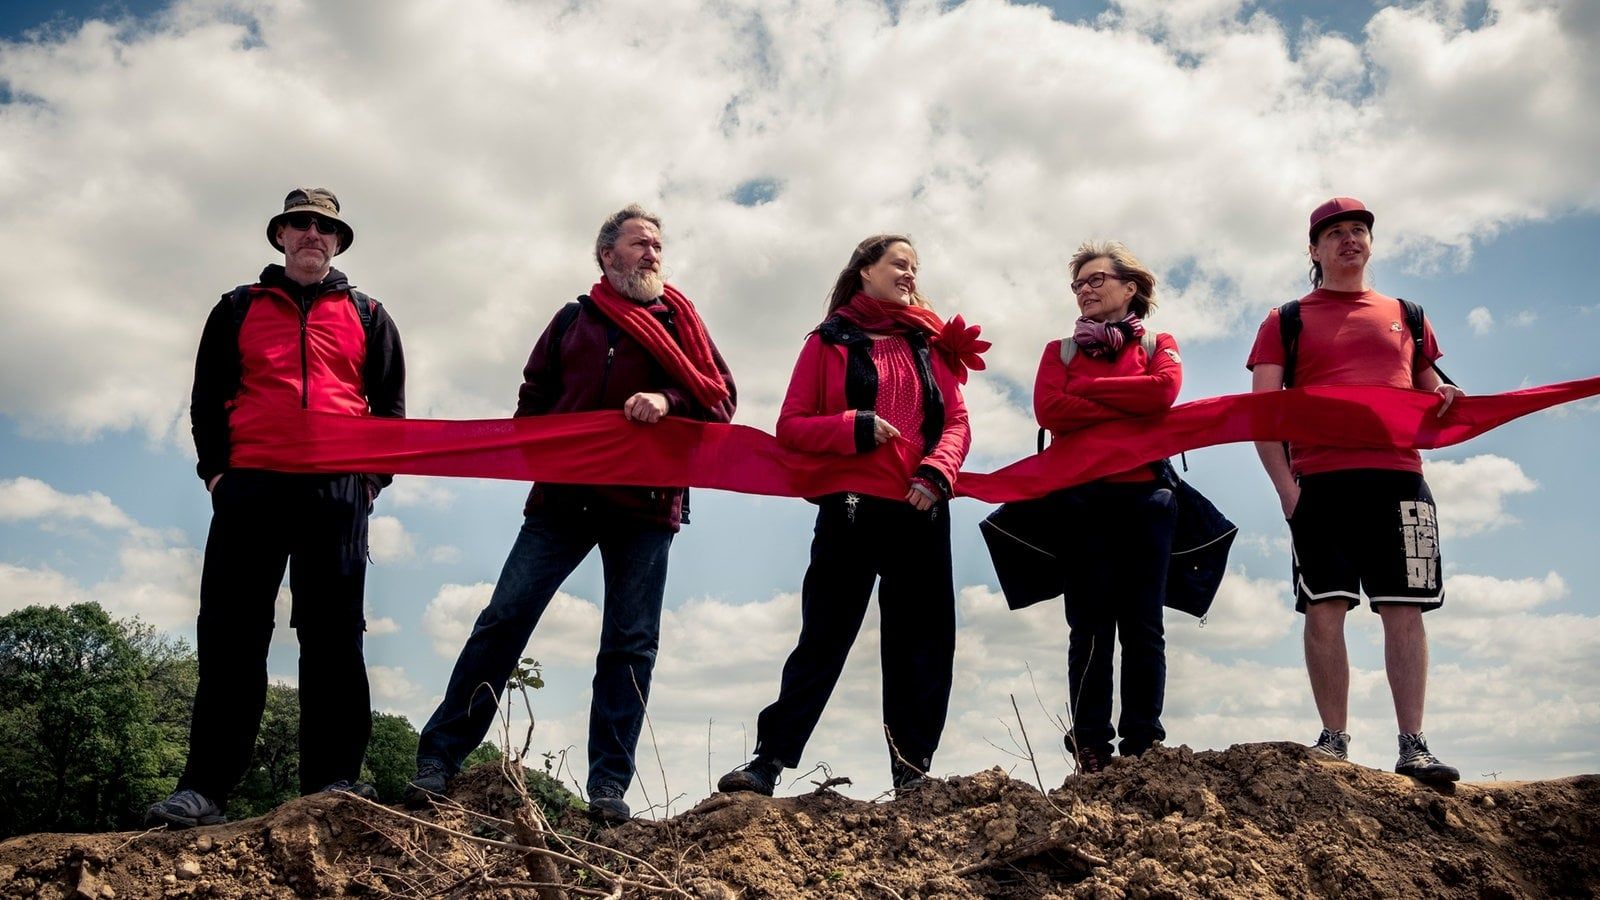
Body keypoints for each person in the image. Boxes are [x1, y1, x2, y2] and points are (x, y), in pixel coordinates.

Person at [407, 204, 736, 824]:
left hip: (646, 505)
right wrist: (557, 445)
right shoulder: (572, 321)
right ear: (607, 255)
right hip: (563, 501)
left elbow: (719, 399)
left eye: (658, 245)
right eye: (640, 244)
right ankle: (438, 761)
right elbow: (532, 402)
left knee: (630, 643)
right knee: (503, 620)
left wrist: (666, 400)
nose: (652, 254)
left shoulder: (682, 323)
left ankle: (608, 788)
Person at [146, 188, 407, 828]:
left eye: (324, 226)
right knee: (232, 635)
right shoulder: (236, 308)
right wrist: (216, 476)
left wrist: (369, 481)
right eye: (300, 224)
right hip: (251, 490)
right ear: (281, 236)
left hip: (337, 495)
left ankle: (333, 783)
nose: (312, 234)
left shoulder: (371, 316)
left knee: (333, 639)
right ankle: (205, 788)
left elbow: (391, 413)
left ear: (338, 241)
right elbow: (207, 400)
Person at [717, 234, 973, 796]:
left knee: (922, 642)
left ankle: (912, 775)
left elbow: (956, 421)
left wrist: (938, 472)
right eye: (898, 264)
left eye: (915, 266)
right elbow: (792, 424)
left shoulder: (932, 344)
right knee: (824, 636)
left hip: (923, 505)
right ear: (865, 273)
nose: (910, 274)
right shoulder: (827, 342)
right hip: (851, 509)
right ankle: (769, 763)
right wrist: (853, 425)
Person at [1247, 197, 1463, 783]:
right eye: (1336, 233)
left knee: (1406, 611)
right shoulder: (1285, 319)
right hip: (1321, 483)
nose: (1350, 240)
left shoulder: (1408, 314)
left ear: (1370, 243)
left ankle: (1413, 744)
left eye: (1359, 231)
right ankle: (1335, 741)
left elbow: (1430, 390)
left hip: (1402, 481)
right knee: (1325, 607)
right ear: (1314, 250)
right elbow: (1260, 414)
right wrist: (1287, 492)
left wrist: (1445, 393)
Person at [1032, 242, 1182, 774]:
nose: (1085, 290)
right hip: (1081, 500)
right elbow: (1050, 409)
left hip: (1147, 499)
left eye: (1096, 280)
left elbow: (1162, 394)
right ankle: (1091, 744)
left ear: (1130, 288)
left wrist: (1090, 401)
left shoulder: (1161, 343)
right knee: (1089, 627)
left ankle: (1143, 743)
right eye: (1078, 285)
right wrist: (1126, 398)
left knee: (1144, 626)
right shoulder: (1060, 352)